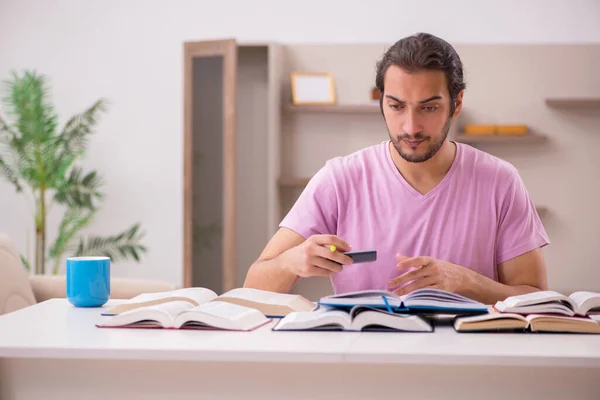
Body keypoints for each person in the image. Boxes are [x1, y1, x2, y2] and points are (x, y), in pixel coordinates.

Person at [243, 32, 549, 304]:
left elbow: (536, 298)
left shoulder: (500, 181)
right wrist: (290, 263)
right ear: (381, 103)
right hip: (362, 359)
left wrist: (467, 282)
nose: (410, 127)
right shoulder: (339, 180)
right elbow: (253, 286)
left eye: (428, 107)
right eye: (396, 106)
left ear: (456, 104)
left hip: (472, 361)